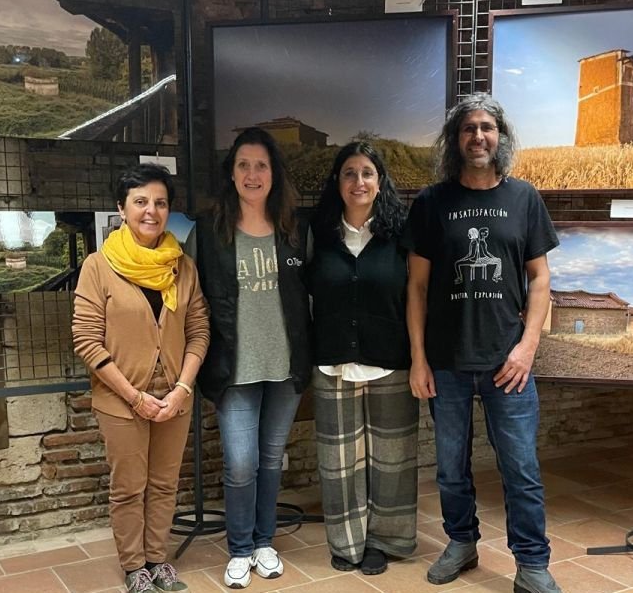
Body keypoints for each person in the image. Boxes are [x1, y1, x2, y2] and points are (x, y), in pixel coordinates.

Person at [405, 93, 563, 593]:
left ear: (501, 137)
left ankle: (533, 564)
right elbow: (417, 287)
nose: (478, 136)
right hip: (447, 362)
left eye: (487, 127)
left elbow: (540, 281)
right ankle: (462, 542)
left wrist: (527, 347)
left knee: (520, 468)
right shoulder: (432, 203)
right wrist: (418, 359)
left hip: (507, 361)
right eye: (469, 128)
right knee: (451, 468)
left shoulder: (524, 199)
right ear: (455, 140)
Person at [72, 164, 209, 593]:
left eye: (161, 202)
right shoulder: (98, 266)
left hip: (174, 398)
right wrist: (134, 396)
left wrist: (182, 388)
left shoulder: (182, 267)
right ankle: (134, 568)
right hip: (120, 400)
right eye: (141, 201)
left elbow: (198, 331)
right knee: (129, 487)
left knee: (165, 484)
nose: (151, 210)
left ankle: (157, 559)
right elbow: (86, 340)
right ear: (122, 208)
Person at [194, 127, 312, 589]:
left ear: (274, 173)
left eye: (261, 164)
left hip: (284, 365)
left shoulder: (294, 229)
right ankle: (240, 548)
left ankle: (265, 542)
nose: (252, 173)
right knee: (240, 463)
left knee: (270, 458)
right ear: (231, 172)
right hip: (234, 368)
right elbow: (193, 297)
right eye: (243, 164)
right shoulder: (210, 231)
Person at [308, 142, 417, 576]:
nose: (359, 181)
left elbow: (415, 296)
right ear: (337, 182)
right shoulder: (318, 232)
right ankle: (346, 542)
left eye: (367, 173)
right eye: (349, 173)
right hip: (332, 361)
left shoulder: (401, 233)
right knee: (339, 462)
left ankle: (386, 539)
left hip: (390, 359)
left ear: (380, 181)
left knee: (392, 458)